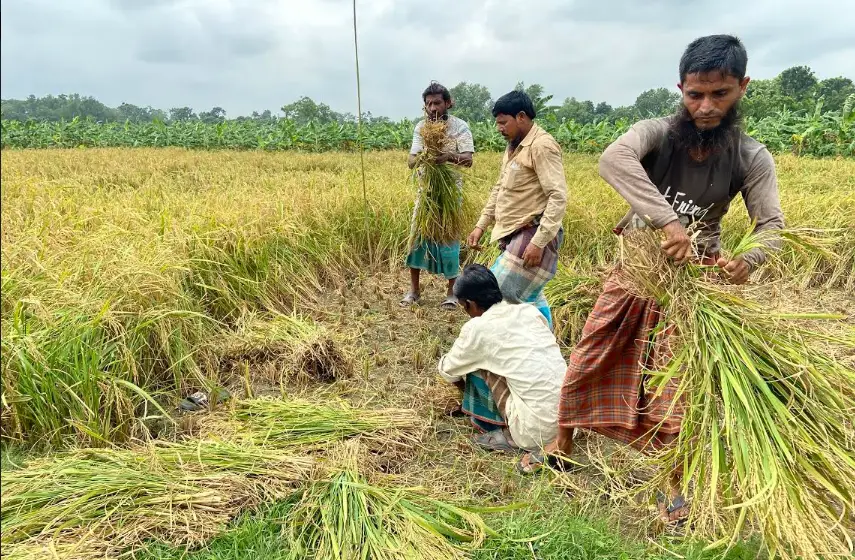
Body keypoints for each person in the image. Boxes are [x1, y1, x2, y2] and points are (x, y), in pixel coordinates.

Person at [518, 35, 786, 524]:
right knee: (588, 355)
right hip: (636, 272)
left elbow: (772, 227)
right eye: (694, 94)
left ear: (743, 87)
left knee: (675, 387)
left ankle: (672, 483)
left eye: (720, 94)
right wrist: (668, 221)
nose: (705, 107)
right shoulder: (656, 133)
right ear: (680, 88)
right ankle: (563, 445)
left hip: (693, 286)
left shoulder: (751, 157)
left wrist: (750, 261)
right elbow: (611, 160)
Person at [437, 264, 566, 453]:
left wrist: (464, 391)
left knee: (478, 364)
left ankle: (506, 433)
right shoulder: (529, 311)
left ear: (469, 304)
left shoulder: (478, 328)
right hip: (570, 422)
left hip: (537, 433)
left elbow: (447, 369)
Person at [466, 90, 567, 329]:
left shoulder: (541, 146)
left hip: (533, 232)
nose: (499, 128)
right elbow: (500, 188)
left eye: (503, 122)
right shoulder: (514, 147)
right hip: (516, 232)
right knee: (530, 297)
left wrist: (539, 242)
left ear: (521, 117)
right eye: (497, 123)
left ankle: (506, 349)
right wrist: (481, 225)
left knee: (495, 294)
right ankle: (546, 344)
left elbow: (557, 196)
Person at [401, 82, 475, 310]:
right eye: (429, 104)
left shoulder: (460, 127)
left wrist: (446, 156)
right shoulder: (421, 128)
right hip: (426, 194)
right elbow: (412, 161)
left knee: (449, 239)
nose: (433, 108)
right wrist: (425, 155)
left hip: (450, 194)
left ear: (448, 103)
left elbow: (468, 159)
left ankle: (451, 293)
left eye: (437, 103)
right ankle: (414, 290)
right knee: (417, 238)